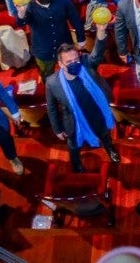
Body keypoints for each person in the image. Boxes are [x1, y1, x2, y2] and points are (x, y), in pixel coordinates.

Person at [46, 25, 122, 171]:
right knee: (74, 145)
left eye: (76, 59)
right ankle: (76, 164)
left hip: (97, 112)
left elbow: (98, 54)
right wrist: (57, 129)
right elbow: (52, 108)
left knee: (105, 134)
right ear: (60, 64)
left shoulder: (86, 63)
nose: (74, 63)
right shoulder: (52, 82)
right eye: (69, 62)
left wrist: (100, 31)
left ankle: (110, 150)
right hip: (74, 121)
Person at [15, 0, 84, 77]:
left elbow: (75, 18)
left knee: (73, 71)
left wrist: (81, 38)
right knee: (47, 76)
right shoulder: (28, 5)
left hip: (64, 44)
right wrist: (21, 13)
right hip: (43, 50)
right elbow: (21, 23)